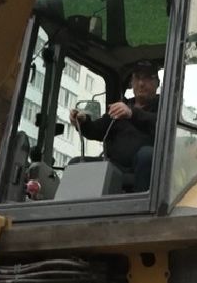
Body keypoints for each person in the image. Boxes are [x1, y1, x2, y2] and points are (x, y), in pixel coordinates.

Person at [69, 62, 161, 191]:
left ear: (157, 83)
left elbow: (161, 127)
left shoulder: (164, 106)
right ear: (132, 83)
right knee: (75, 164)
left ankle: (140, 205)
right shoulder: (122, 105)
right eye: (137, 78)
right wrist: (83, 122)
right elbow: (97, 130)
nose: (141, 83)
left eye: (147, 78)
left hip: (148, 171)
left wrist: (132, 113)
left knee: (147, 154)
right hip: (115, 166)